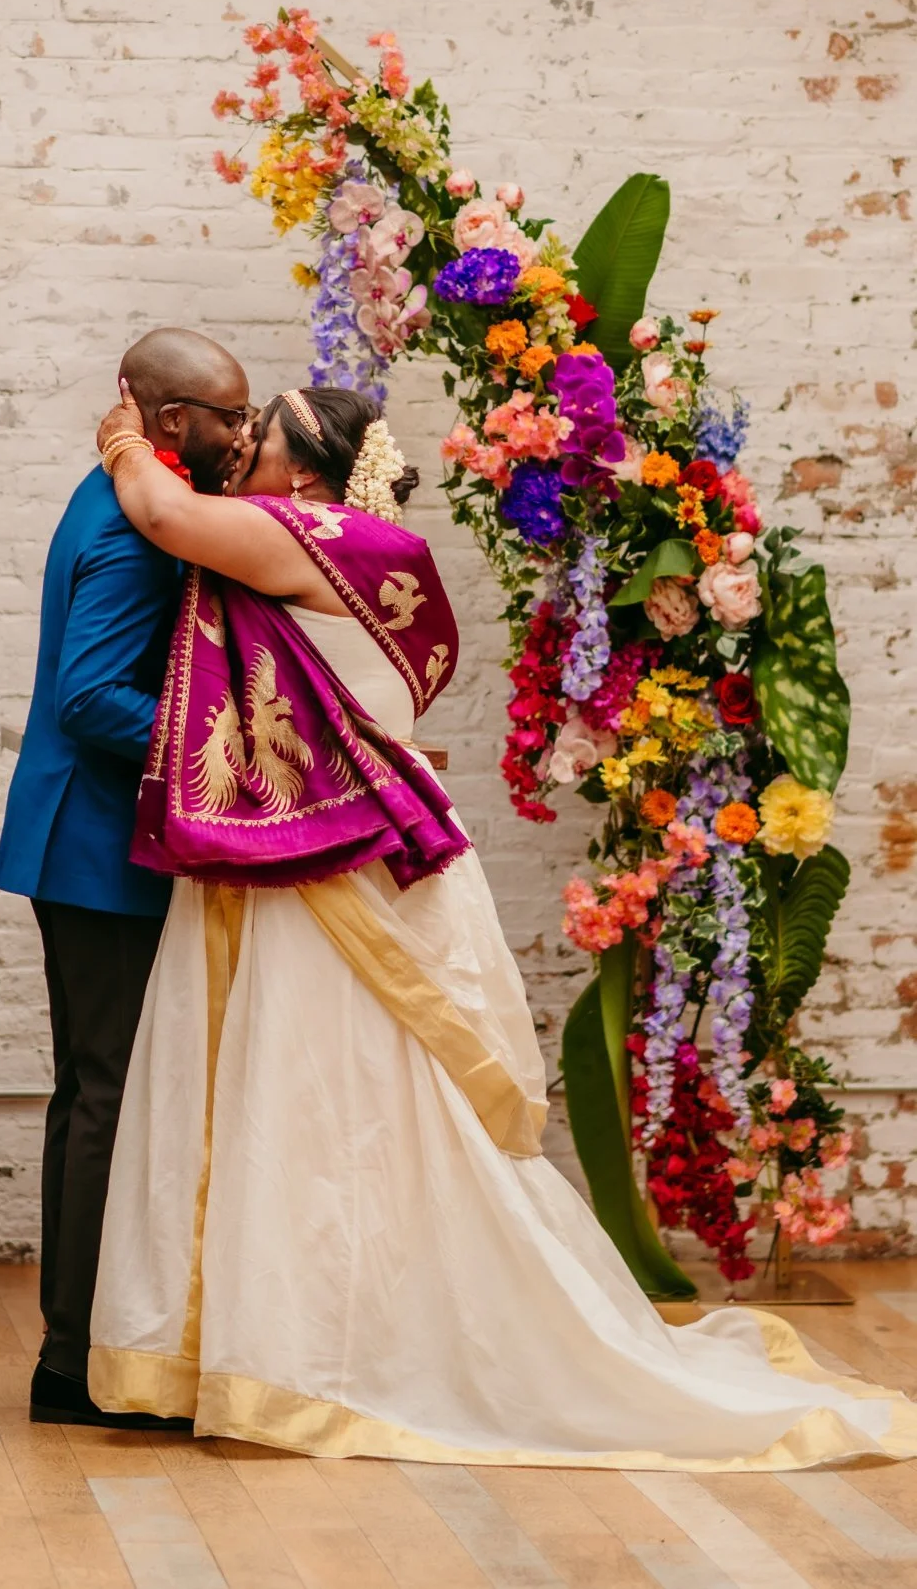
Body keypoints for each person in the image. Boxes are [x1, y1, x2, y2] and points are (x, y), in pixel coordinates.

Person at [86, 383, 917, 1469]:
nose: (243, 444)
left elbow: (164, 516)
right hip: (332, 856)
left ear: (305, 472)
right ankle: (310, 1341)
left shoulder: (319, 534)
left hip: (331, 869)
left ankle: (322, 1355)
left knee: (326, 1102)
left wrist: (120, 439)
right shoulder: (354, 543)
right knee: (334, 1110)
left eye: (265, 434)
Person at [0, 328, 251, 1426]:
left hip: (85, 841)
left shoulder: (120, 490)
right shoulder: (139, 530)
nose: (244, 433)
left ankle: (75, 1349)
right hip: (100, 850)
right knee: (104, 1096)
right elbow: (92, 697)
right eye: (229, 417)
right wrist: (225, 765)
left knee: (88, 1095)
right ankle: (71, 1361)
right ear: (173, 419)